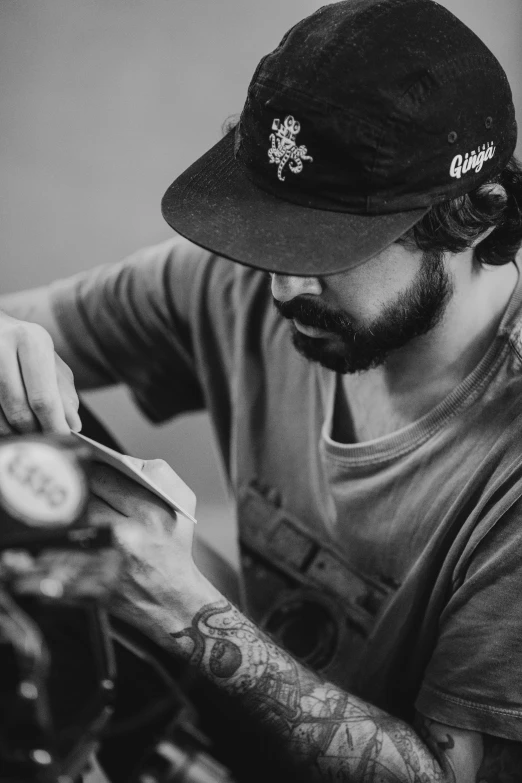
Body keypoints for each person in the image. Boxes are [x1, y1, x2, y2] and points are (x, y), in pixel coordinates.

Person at [0, 0, 522, 779]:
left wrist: (183, 609)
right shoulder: (243, 284)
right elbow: (17, 327)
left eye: (326, 246)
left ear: (473, 218)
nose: (280, 282)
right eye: (271, 233)